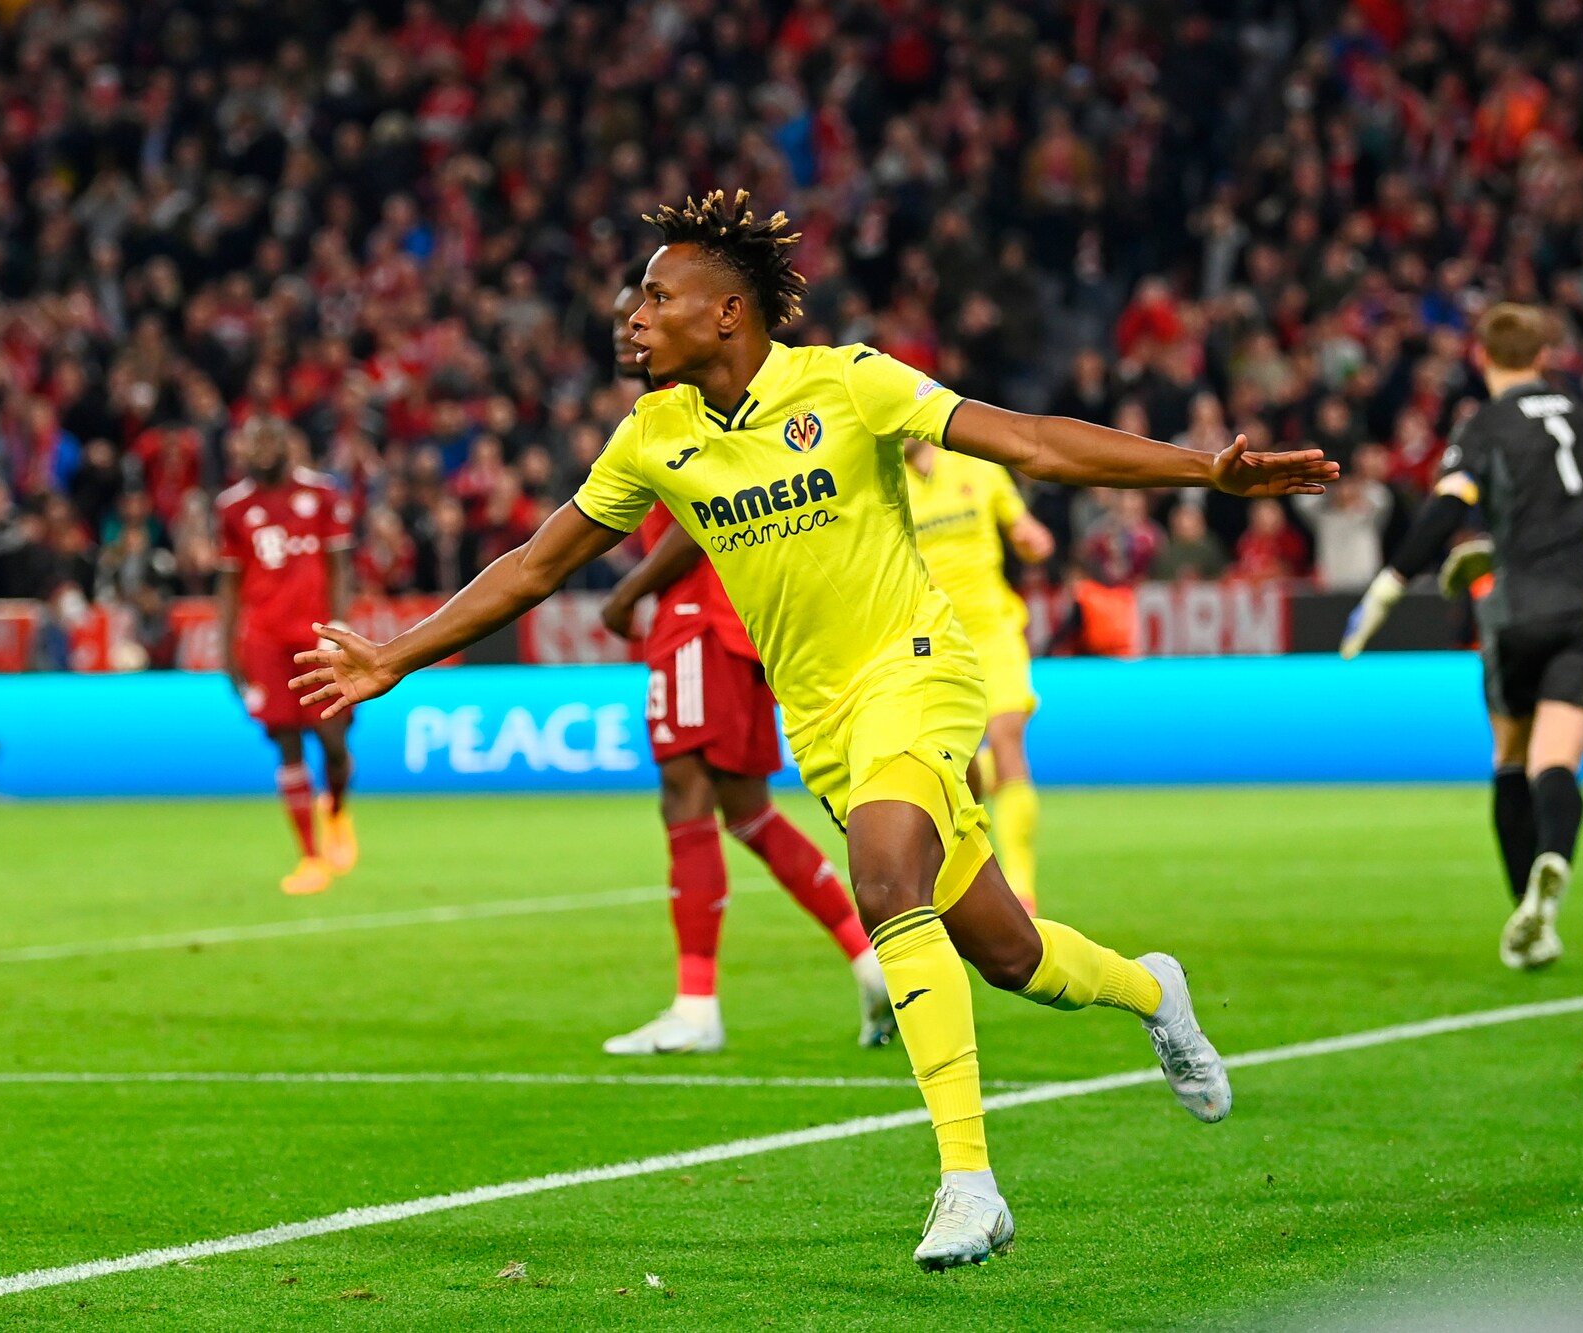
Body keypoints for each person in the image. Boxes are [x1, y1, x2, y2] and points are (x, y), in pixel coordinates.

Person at [293, 191, 1336, 1270]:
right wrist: (395, 654)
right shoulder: (653, 436)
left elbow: (1029, 442)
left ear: (728, 313)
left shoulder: (847, 382)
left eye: (657, 297)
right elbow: (533, 567)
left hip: (917, 669)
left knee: (883, 879)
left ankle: (969, 1183)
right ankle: (1153, 989)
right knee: (1009, 953)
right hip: (823, 719)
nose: (635, 317)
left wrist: (1201, 468)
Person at [595, 269, 894, 1055]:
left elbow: (701, 518)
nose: (631, 328)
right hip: (747, 623)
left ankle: (695, 1006)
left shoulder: (691, 405)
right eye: (624, 318)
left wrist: (628, 592)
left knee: (684, 795)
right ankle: (869, 961)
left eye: (646, 310)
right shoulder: (682, 405)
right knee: (749, 810)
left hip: (700, 616)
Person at [1340, 303, 1583, 971]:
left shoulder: (1484, 425)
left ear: (1482, 358)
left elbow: (1447, 506)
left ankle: (1529, 912)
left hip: (1516, 610)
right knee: (1556, 760)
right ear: (1544, 357)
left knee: (1510, 756)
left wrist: (1389, 586)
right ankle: (1553, 862)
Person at [902, 434, 1056, 914]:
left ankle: (1023, 889)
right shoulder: (882, 482)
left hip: (993, 630)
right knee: (955, 766)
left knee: (1008, 736)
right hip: (931, 639)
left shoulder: (978, 468)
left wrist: (1033, 542)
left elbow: (1025, 530)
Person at [217, 416, 359, 897]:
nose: (261, 450)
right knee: (287, 742)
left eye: (269, 440)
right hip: (264, 641)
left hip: (316, 637)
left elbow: (339, 567)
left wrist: (339, 627)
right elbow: (229, 583)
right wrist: (227, 651)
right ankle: (310, 858)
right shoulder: (233, 508)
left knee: (334, 741)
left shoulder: (322, 494)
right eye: (253, 442)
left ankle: (335, 808)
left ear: (286, 445)